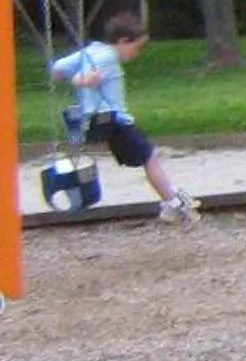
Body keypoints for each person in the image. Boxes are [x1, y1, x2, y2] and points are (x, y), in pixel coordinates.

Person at [51, 14, 196, 222]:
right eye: (137, 47)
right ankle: (172, 203)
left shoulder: (92, 50)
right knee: (149, 157)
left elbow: (57, 69)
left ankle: (173, 194)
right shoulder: (107, 57)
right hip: (112, 120)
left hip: (102, 121)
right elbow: (82, 78)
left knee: (147, 155)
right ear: (122, 41)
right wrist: (81, 81)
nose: (137, 53)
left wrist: (74, 78)